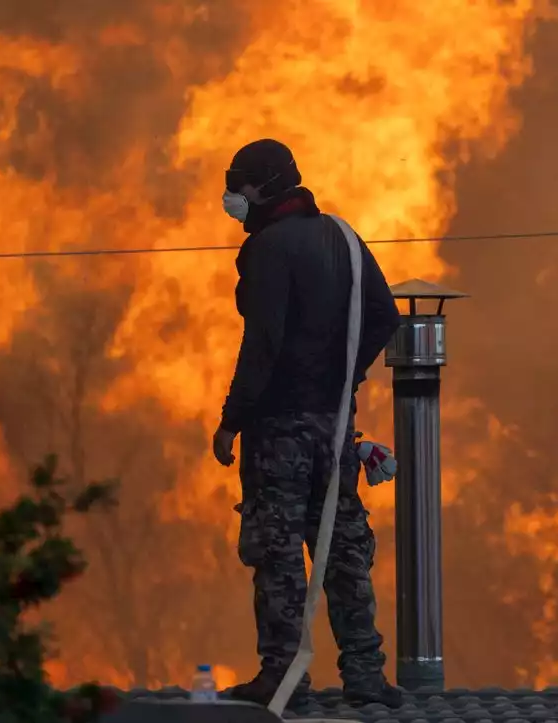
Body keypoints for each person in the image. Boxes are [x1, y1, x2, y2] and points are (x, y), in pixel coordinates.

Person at [210, 139, 404, 710]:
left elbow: (262, 342)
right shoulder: (344, 237)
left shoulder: (269, 248)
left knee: (276, 550)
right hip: (335, 423)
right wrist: (345, 378)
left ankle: (283, 676)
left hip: (279, 428)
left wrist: (231, 420)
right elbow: (384, 317)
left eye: (238, 184)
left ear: (267, 186)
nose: (232, 197)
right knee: (342, 544)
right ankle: (366, 676)